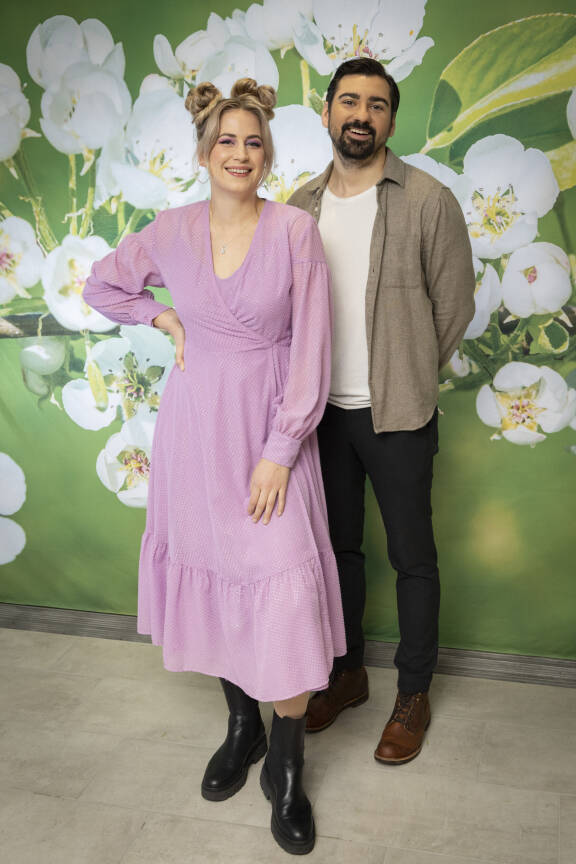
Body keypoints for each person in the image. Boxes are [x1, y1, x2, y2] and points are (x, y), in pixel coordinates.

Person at [83, 77, 346, 856]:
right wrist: (160, 314)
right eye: (227, 140)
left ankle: (288, 766)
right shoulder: (166, 232)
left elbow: (312, 350)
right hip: (194, 433)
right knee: (218, 574)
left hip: (268, 432)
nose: (240, 153)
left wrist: (280, 450)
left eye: (254, 141)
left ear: (268, 155)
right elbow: (103, 284)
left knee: (285, 592)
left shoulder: (295, 231)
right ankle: (242, 725)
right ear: (204, 152)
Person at [288, 58, 475, 764]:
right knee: (337, 555)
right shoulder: (299, 204)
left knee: (412, 558)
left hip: (397, 415)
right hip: (321, 415)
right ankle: (348, 674)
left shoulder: (429, 200)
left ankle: (413, 693)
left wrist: (408, 379)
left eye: (376, 104)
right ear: (328, 112)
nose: (360, 114)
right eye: (348, 101)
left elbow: (454, 308)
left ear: (392, 120)